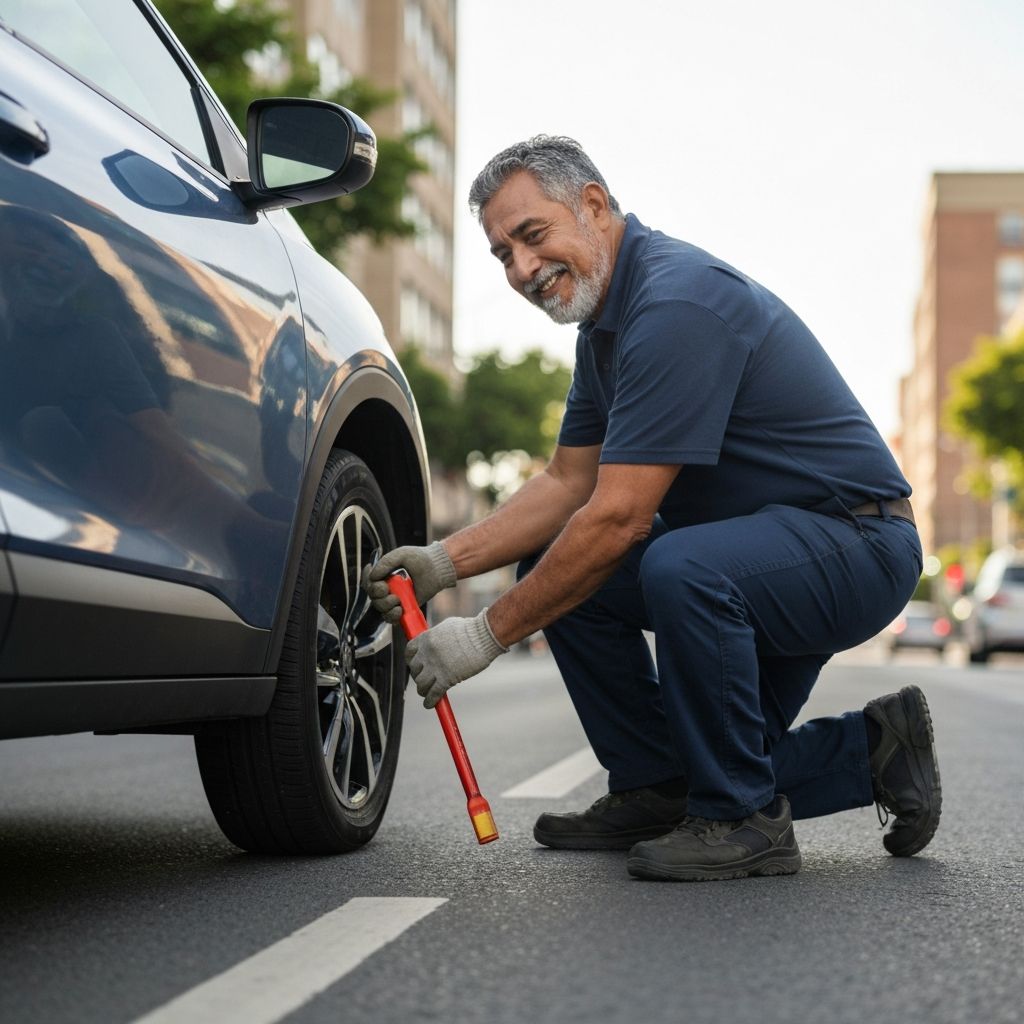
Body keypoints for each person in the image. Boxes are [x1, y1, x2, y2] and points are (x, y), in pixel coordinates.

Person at [364, 136, 940, 882]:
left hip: (854, 543)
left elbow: (618, 519)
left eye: (533, 235)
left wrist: (483, 634)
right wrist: (444, 563)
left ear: (594, 205)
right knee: (563, 570)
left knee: (670, 563)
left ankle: (741, 819)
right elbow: (567, 484)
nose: (523, 269)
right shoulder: (604, 331)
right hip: (752, 557)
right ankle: (686, 784)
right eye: (504, 254)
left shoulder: (675, 304)